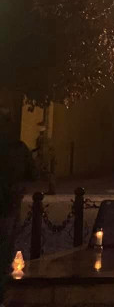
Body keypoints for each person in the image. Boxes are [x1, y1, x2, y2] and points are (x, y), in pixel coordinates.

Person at [0, 107, 35, 306]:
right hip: (9, 205)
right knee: (5, 249)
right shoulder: (18, 148)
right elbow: (33, 173)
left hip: (8, 203)